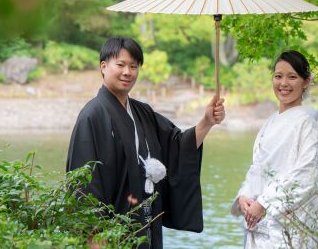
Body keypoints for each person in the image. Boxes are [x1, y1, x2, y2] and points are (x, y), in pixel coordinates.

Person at [66, 36, 225, 249]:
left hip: (146, 225)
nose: (127, 72)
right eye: (120, 65)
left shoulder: (143, 112)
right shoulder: (92, 116)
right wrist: (94, 234)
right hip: (111, 234)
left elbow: (177, 146)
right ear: (103, 67)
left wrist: (207, 121)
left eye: (134, 66)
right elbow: (84, 183)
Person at [231, 50, 318, 248]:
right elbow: (257, 168)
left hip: (285, 223)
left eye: (292, 76)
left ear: (306, 82)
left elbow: (306, 174)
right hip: (257, 218)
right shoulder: (270, 122)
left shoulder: (307, 124)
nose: (283, 83)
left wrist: (264, 203)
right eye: (278, 76)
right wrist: (243, 196)